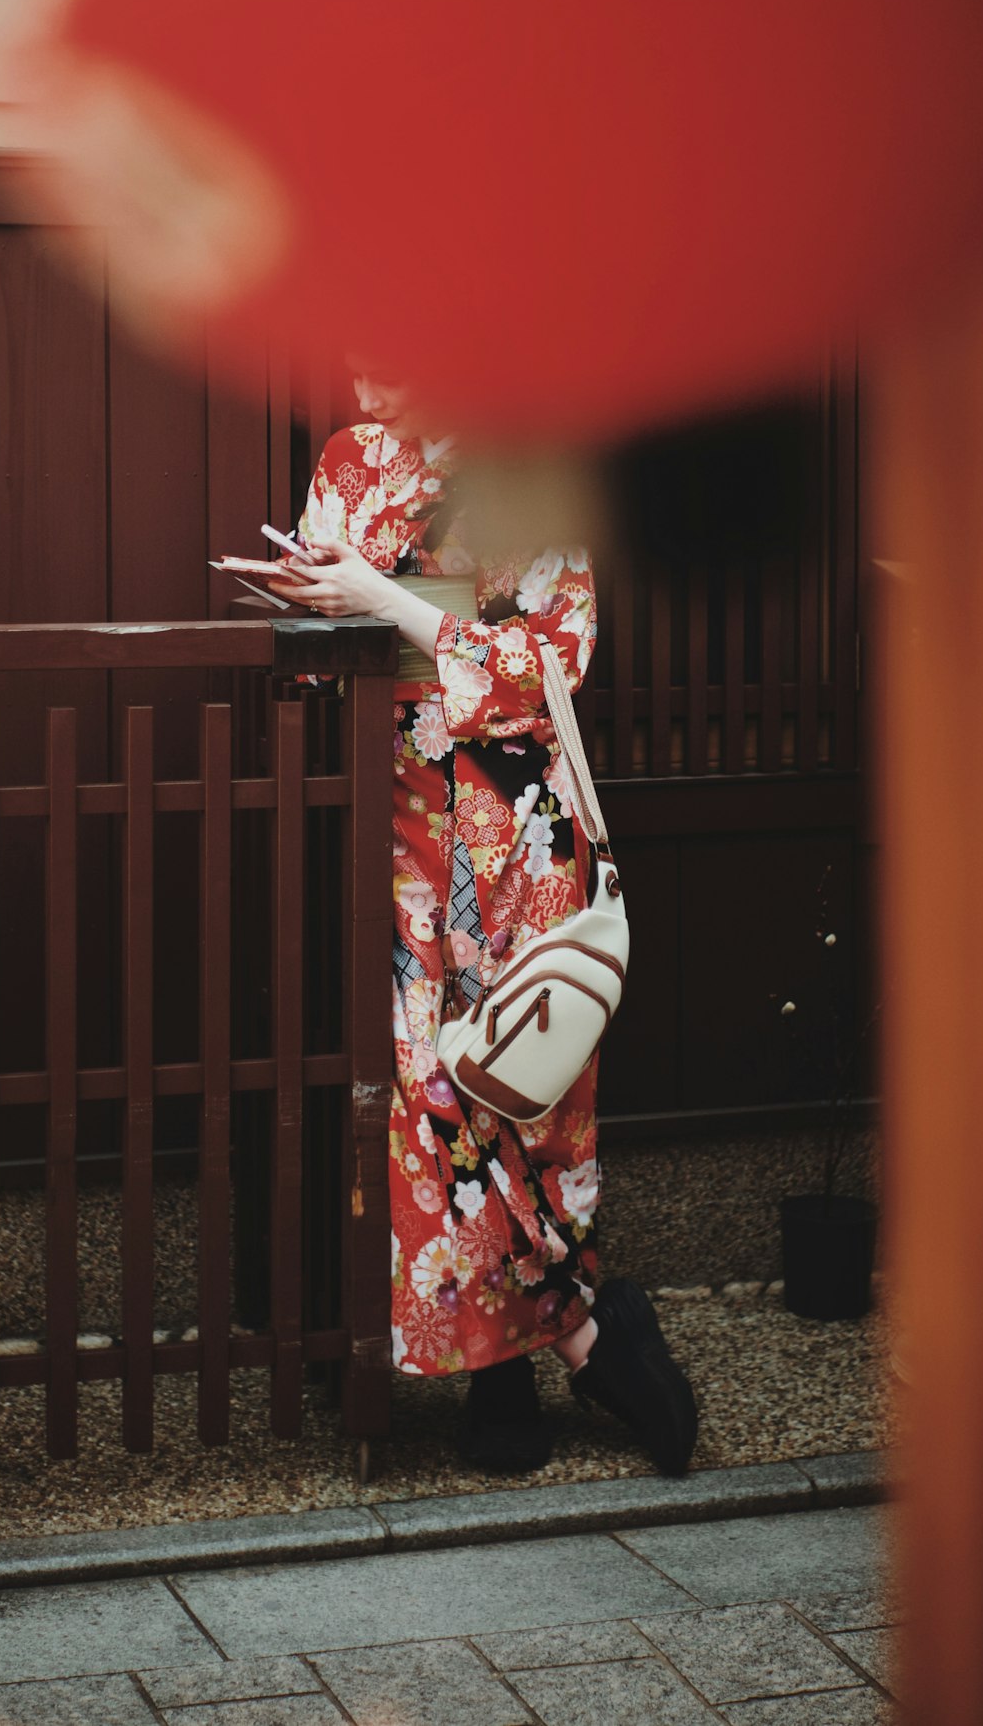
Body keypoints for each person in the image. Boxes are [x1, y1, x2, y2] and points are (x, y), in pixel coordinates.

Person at [265, 373, 698, 1474]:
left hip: (518, 825)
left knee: (526, 1081)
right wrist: (313, 610)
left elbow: (555, 656)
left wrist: (390, 598)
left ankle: (555, 1339)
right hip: (398, 825)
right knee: (431, 1089)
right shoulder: (353, 460)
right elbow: (316, 663)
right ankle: (539, 1353)